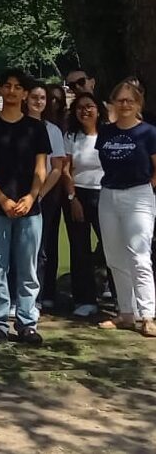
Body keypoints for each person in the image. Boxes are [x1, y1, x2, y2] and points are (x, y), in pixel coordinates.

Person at [0, 69, 49, 346]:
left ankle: (27, 321)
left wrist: (31, 196)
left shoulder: (36, 128)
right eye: (7, 86)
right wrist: (2, 197)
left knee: (28, 268)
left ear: (25, 93)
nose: (12, 91)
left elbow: (41, 169)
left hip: (30, 209)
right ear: (0, 89)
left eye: (18, 87)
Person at [95, 81, 156, 337]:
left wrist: (148, 188)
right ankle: (126, 313)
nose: (125, 104)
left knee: (139, 255)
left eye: (130, 100)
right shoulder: (106, 132)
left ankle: (148, 315)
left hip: (139, 195)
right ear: (113, 104)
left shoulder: (148, 132)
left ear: (138, 104)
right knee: (114, 256)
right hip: (109, 194)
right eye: (120, 100)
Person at [62, 92, 107, 318]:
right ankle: (85, 299)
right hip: (78, 194)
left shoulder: (109, 133)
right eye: (80, 107)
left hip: (106, 195)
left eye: (90, 106)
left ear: (98, 109)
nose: (85, 111)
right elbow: (65, 170)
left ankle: (120, 297)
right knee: (79, 249)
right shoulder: (71, 136)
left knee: (112, 246)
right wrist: (72, 198)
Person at [24, 83, 66, 310]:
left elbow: (57, 167)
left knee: (40, 248)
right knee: (18, 247)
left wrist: (39, 193)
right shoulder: (17, 125)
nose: (39, 102)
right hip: (18, 192)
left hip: (44, 194)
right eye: (34, 97)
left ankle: (36, 298)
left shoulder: (52, 130)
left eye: (43, 98)